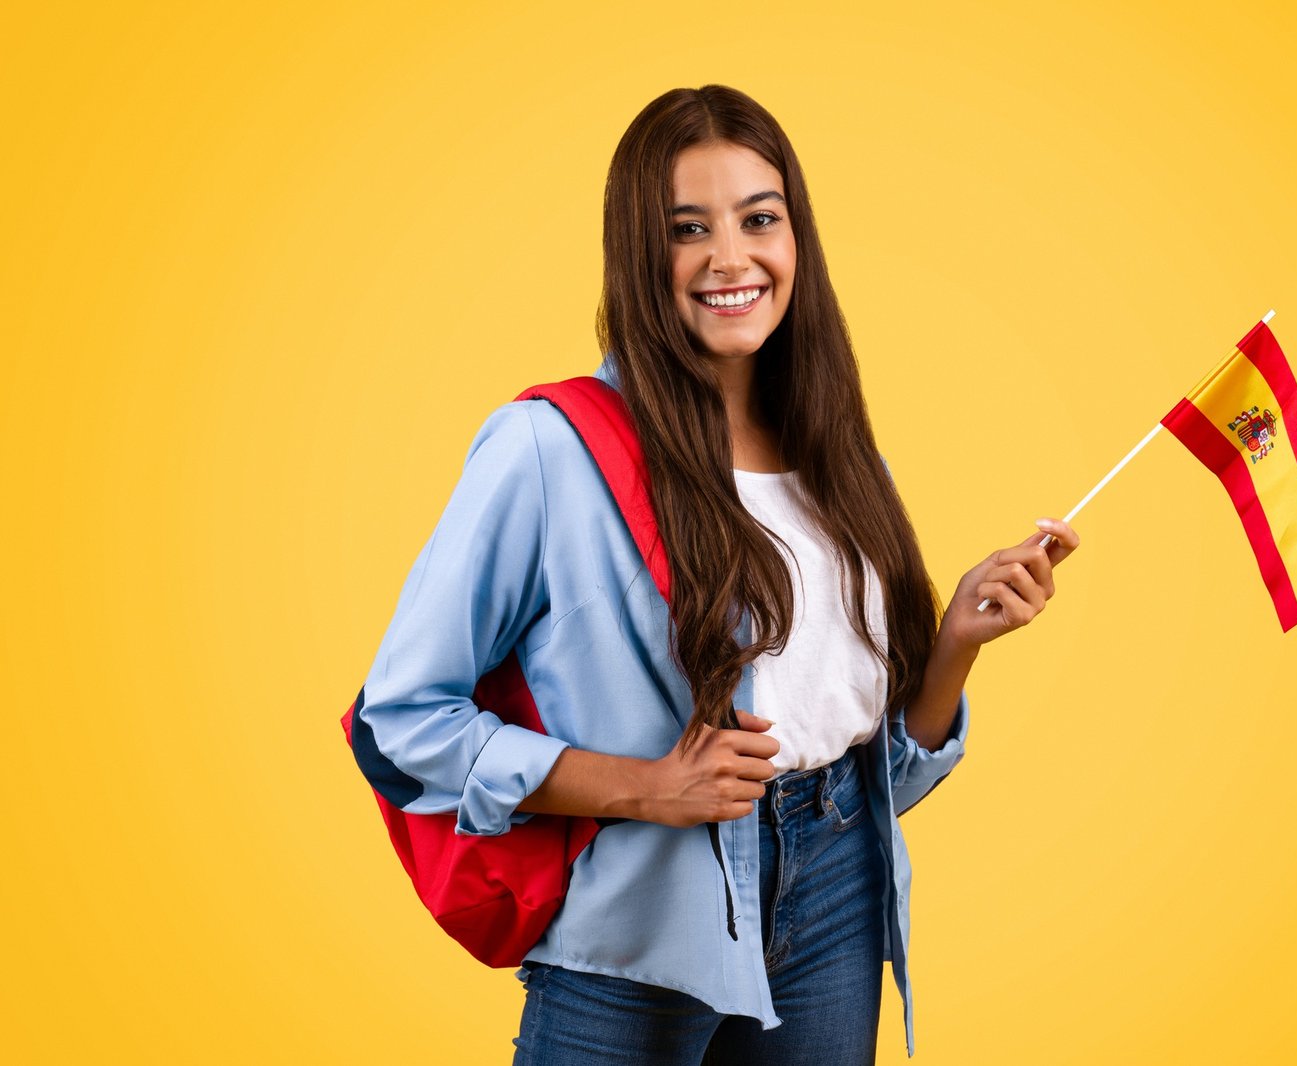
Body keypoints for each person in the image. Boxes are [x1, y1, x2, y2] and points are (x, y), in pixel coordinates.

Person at [352, 84, 1080, 1065]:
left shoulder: (841, 460)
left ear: (796, 238)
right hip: (637, 930)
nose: (730, 258)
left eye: (759, 219)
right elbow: (399, 722)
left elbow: (871, 778)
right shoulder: (549, 450)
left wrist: (954, 645)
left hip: (838, 902)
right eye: (687, 229)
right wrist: (647, 787)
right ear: (637, 253)